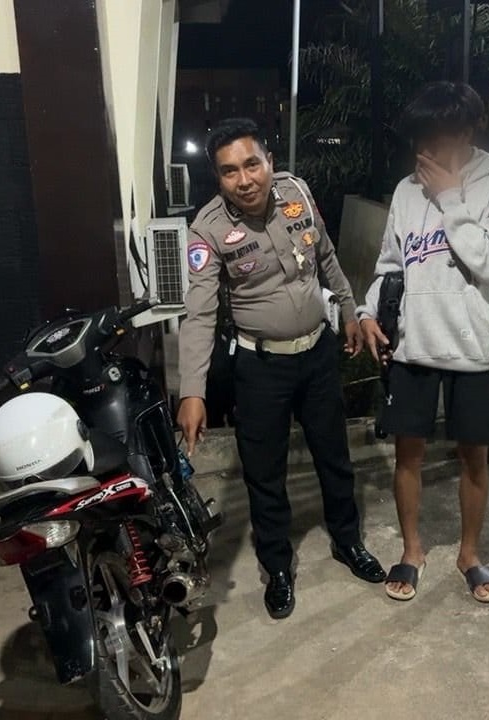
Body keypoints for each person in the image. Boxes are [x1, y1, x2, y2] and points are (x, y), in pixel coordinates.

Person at [177, 117, 386, 620]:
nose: (244, 179)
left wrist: (350, 309)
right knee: (264, 473)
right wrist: (192, 391)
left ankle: (347, 541)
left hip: (317, 355)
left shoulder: (297, 191)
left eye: (252, 164)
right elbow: (199, 314)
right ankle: (277, 567)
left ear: (269, 162)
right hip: (260, 366)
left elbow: (326, 254)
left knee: (334, 456)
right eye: (229, 171)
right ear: (218, 178)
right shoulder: (207, 230)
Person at [357, 82, 489, 603]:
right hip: (414, 344)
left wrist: (451, 196)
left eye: (436, 138)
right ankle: (412, 551)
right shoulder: (407, 191)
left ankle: (470, 554)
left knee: (474, 457)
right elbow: (391, 264)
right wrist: (367, 311)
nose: (424, 150)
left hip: (475, 349)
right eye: (419, 139)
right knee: (408, 456)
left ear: (467, 132)